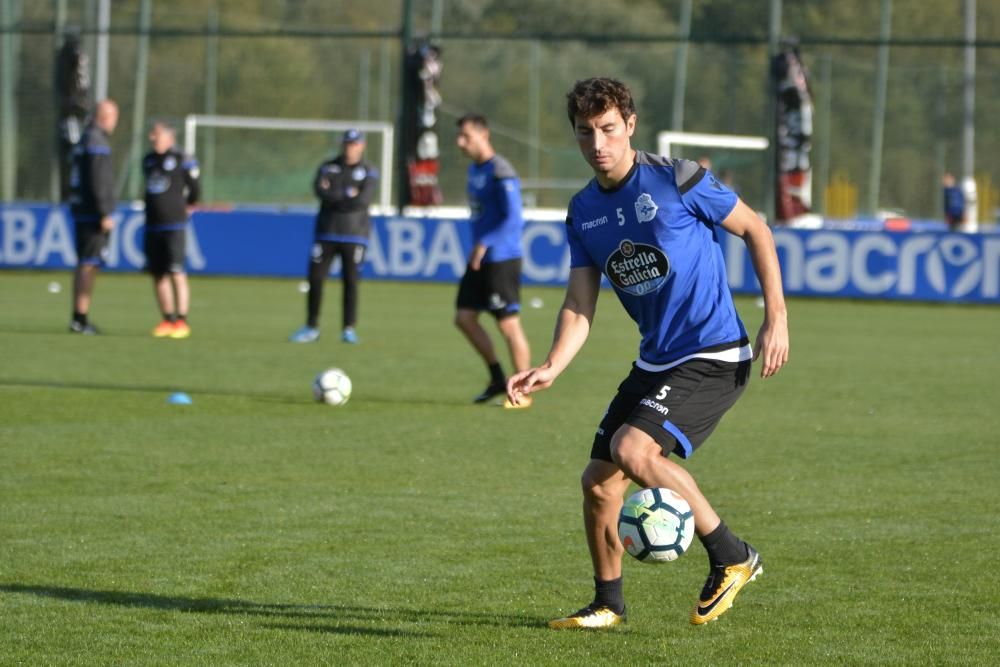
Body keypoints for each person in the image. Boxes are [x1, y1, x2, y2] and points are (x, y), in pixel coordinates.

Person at [507, 78, 789, 629]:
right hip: (656, 360)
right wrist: (551, 366)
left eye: (609, 129)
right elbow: (580, 301)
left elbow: (756, 229)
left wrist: (775, 316)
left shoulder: (676, 179)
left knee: (633, 450)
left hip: (715, 353)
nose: (598, 143)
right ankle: (608, 603)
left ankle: (733, 556)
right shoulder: (582, 210)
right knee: (598, 482)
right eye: (586, 133)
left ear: (630, 126)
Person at [454, 113, 532, 407]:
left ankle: (522, 391)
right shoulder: (476, 170)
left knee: (508, 325)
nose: (460, 143)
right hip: (482, 258)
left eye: (466, 137)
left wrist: (484, 243)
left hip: (501, 258)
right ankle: (498, 378)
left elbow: (515, 218)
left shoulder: (501, 171)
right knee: (464, 317)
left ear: (483, 135)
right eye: (459, 137)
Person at [290, 129, 378, 344]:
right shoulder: (328, 166)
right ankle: (311, 326)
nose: (350, 147)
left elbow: (363, 200)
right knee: (316, 279)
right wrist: (347, 194)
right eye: (347, 143)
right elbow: (320, 191)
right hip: (326, 231)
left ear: (362, 145)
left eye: (354, 144)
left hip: (354, 234)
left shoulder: (368, 170)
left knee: (351, 282)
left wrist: (336, 195)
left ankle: (348, 328)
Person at [142, 121, 200, 339]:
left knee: (176, 271)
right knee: (158, 274)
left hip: (174, 223)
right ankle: (167, 319)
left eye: (156, 134)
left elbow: (195, 187)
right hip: (152, 223)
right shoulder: (147, 160)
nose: (152, 138)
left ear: (169, 137)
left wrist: (189, 204)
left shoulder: (181, 159)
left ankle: (182, 321)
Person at [68, 98, 119, 334]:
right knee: (89, 264)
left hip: (81, 209)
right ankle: (80, 319)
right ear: (106, 117)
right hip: (91, 213)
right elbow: (98, 182)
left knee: (84, 263)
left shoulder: (83, 140)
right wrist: (104, 212)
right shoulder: (96, 142)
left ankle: (78, 317)